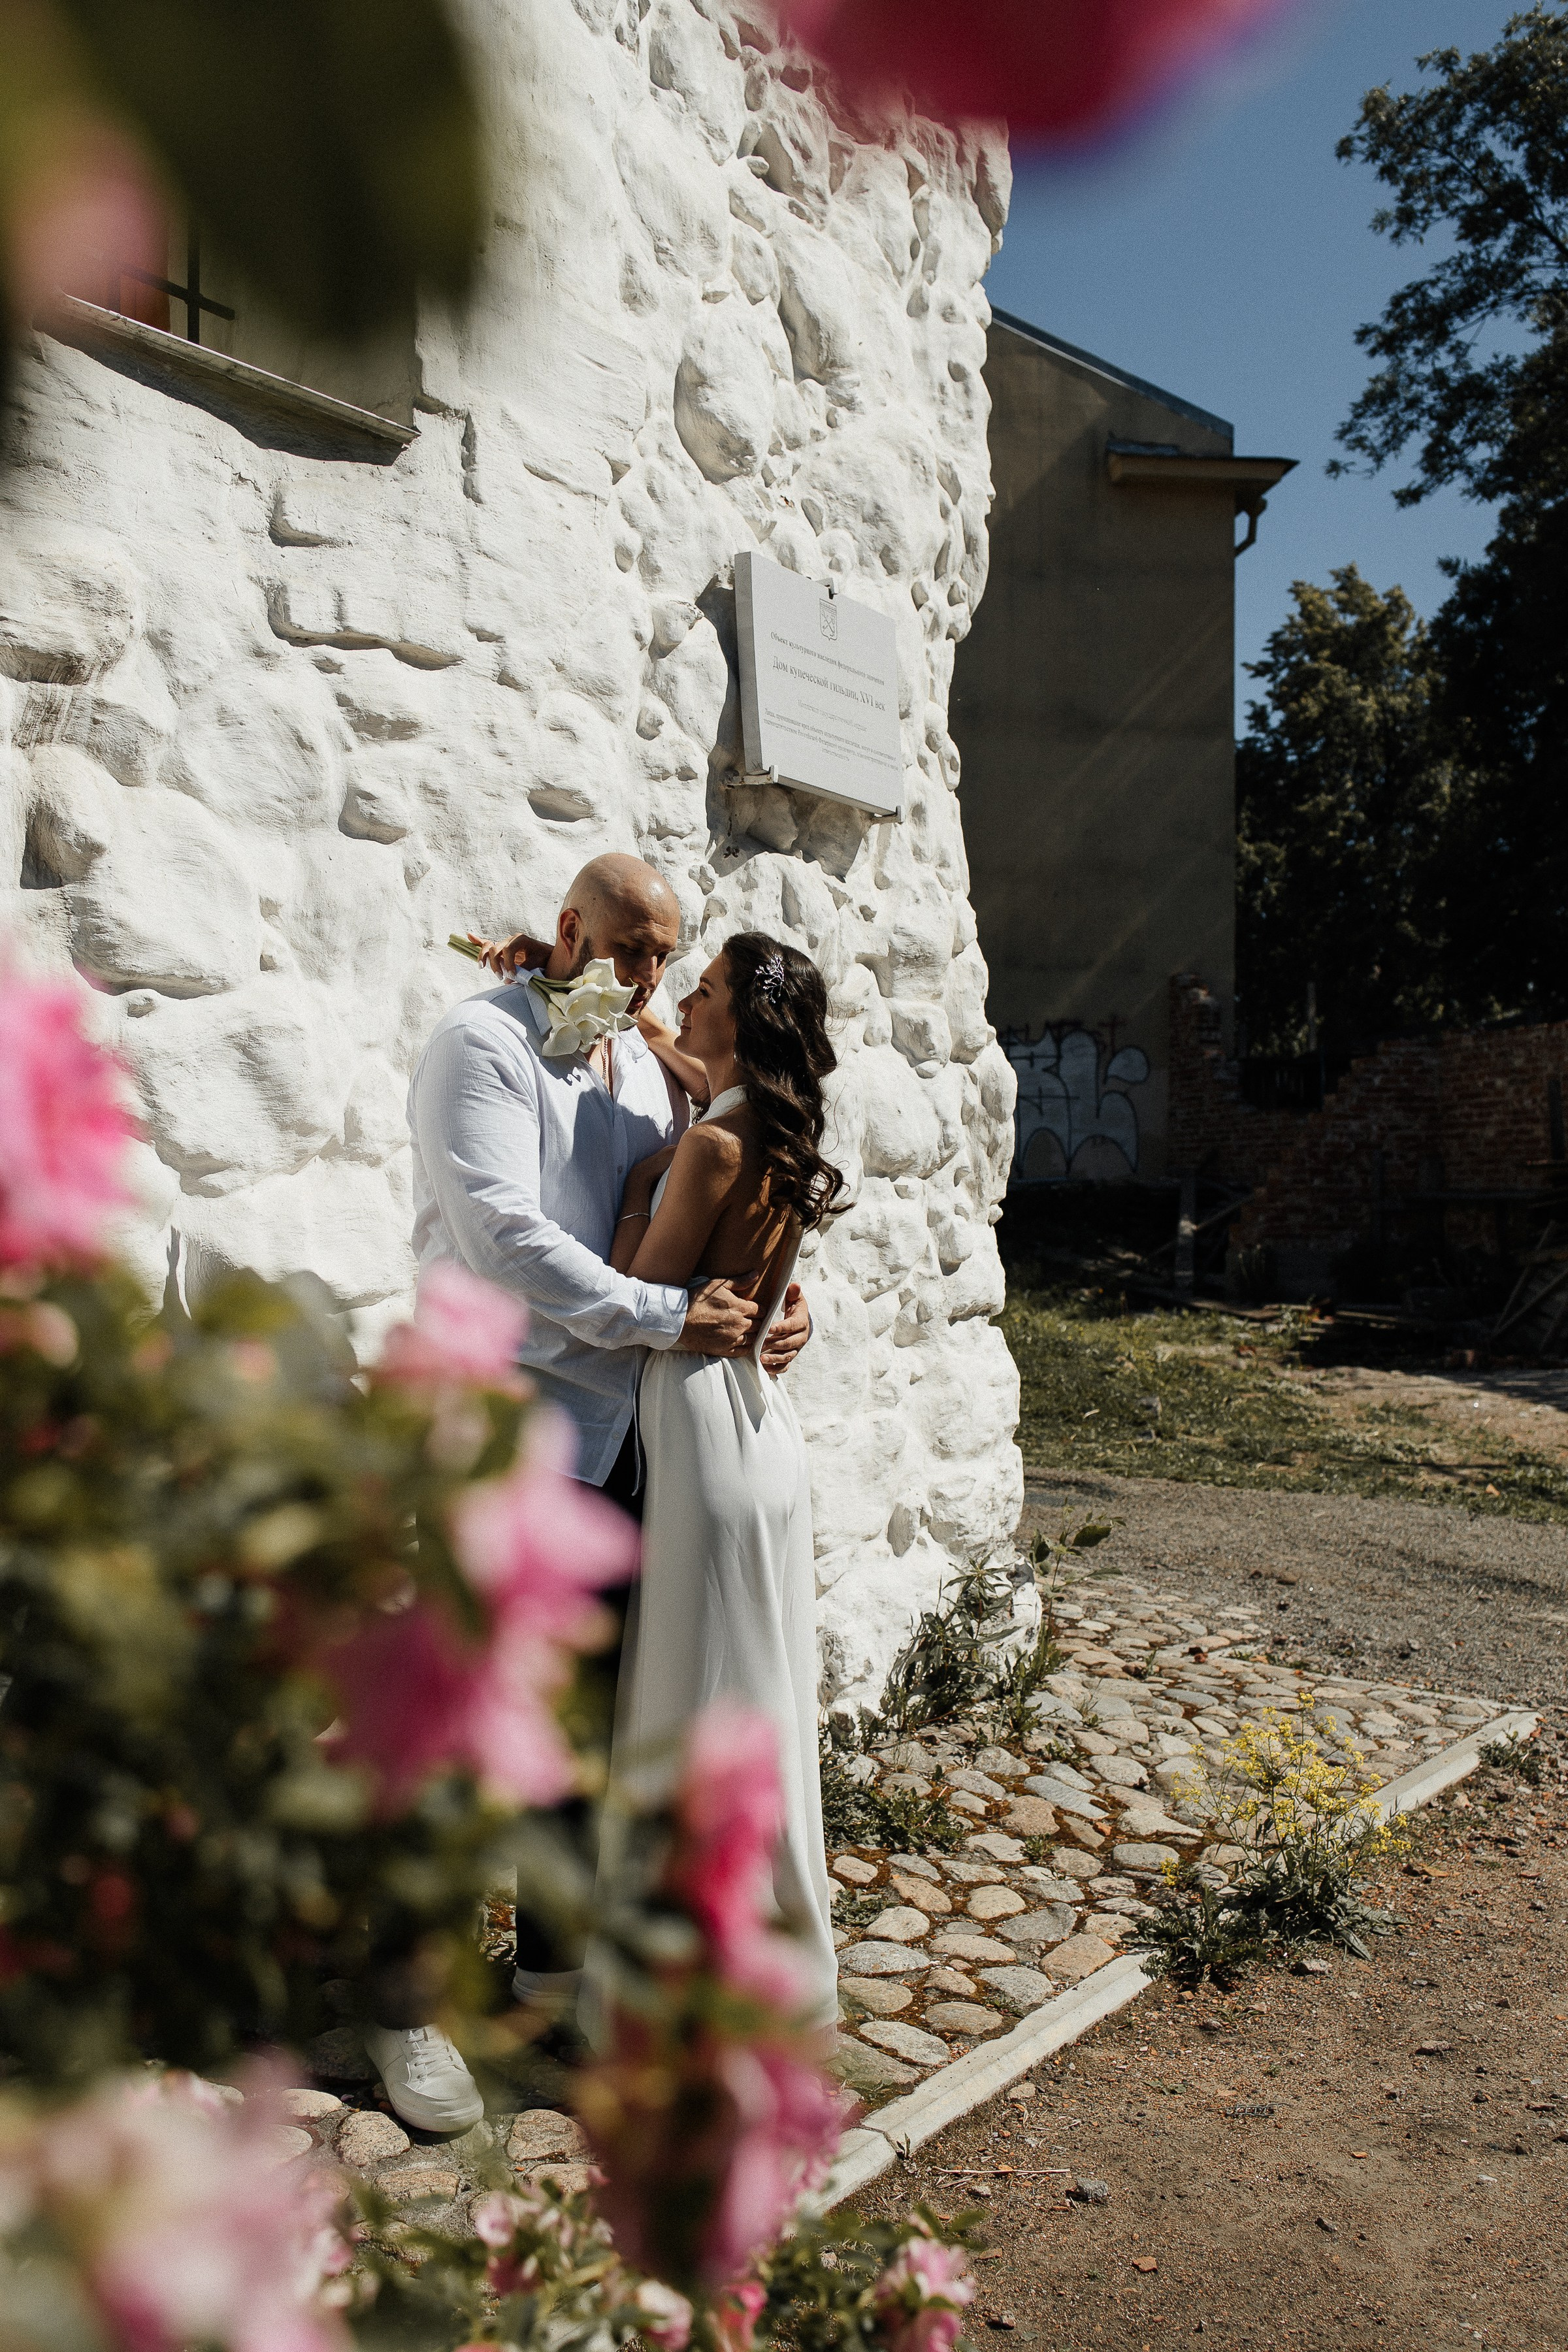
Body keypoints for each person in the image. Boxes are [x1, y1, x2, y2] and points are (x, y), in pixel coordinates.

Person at [372, 855, 812, 2133]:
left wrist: (777, 1303)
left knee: (578, 1732)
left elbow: (704, 1193)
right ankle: (410, 2007)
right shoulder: (479, 1046)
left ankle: (543, 1984)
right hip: (504, 1427)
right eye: (627, 951)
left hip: (621, 1439)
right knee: (472, 1739)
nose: (648, 979)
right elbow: (508, 1239)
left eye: (665, 957)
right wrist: (673, 1316)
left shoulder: (634, 1057)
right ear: (570, 930)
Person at [606, 931, 845, 2029]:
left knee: (689, 1696)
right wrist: (641, 1008)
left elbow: (642, 1294)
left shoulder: (707, 1150)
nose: (686, 1005)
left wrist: (642, 1183)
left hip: (697, 1418)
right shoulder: (782, 1130)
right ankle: (775, 1954)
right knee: (763, 1696)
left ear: (741, 1026)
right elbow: (678, 1051)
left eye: (703, 991)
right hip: (765, 1423)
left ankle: (679, 1986)